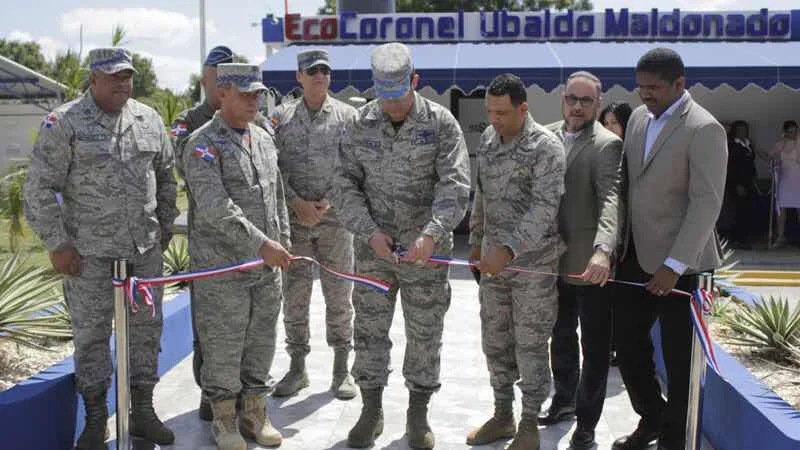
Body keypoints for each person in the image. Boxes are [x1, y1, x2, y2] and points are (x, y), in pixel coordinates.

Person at [24, 47, 179, 449]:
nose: (122, 84)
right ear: (93, 79)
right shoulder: (65, 122)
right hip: (87, 257)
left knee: (147, 333)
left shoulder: (149, 118)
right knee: (91, 336)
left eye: (127, 76)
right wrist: (58, 244)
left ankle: (142, 412)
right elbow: (39, 188)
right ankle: (96, 420)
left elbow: (165, 175)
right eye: (113, 77)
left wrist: (164, 224)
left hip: (142, 253)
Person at [333, 42, 470, 449]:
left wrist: (431, 234)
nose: (391, 106)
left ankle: (418, 413)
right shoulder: (359, 124)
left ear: (414, 81)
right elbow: (344, 186)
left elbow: (455, 186)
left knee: (425, 333)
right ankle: (371, 410)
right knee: (370, 331)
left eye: (398, 95)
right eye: (384, 96)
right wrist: (369, 232)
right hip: (373, 252)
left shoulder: (442, 125)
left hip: (425, 254)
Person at [613, 48, 727, 450]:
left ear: (680, 83)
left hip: (683, 265)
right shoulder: (641, 119)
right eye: (640, 87)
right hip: (635, 256)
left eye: (654, 88)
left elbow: (706, 203)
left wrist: (674, 265)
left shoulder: (704, 128)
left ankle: (674, 441)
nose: (644, 96)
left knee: (680, 364)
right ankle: (653, 419)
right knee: (626, 345)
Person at [182, 63, 291, 450]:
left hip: (266, 267)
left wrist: (283, 243)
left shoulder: (262, 138)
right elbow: (216, 206)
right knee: (223, 346)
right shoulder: (202, 143)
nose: (253, 101)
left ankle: (255, 412)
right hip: (222, 269)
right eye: (245, 94)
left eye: (257, 94)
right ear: (222, 93)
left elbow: (276, 196)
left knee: (261, 341)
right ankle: (224, 419)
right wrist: (262, 243)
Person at [464, 73, 566, 450]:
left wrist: (506, 251)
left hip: (532, 267)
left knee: (531, 343)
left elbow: (544, 209)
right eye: (490, 111)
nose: (494, 119)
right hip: (492, 266)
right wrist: (475, 241)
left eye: (502, 113)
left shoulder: (546, 147)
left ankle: (528, 423)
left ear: (524, 108)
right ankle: (503, 414)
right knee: (496, 339)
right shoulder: (490, 140)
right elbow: (483, 195)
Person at [539, 71, 623, 450]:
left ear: (598, 104)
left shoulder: (606, 145)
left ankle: (587, 424)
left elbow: (611, 200)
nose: (577, 106)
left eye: (585, 101)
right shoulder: (545, 135)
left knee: (594, 346)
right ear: (563, 99)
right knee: (559, 337)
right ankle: (564, 399)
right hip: (550, 261)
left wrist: (604, 250)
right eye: (572, 98)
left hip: (591, 267)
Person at [271, 49, 358, 400]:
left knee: (339, 295)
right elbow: (271, 166)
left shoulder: (349, 117)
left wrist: (329, 201)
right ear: (299, 77)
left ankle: (341, 370)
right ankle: (297, 368)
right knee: (295, 295)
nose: (319, 75)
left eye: (324, 70)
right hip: (295, 223)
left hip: (335, 222)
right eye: (312, 70)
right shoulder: (281, 118)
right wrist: (297, 203)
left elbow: (355, 166)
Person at [718, 120, 757, 248]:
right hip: (737, 184)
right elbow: (731, 167)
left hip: (748, 182)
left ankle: (743, 237)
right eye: (740, 130)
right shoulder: (732, 145)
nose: (743, 132)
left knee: (746, 211)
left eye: (745, 129)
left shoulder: (748, 144)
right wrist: (737, 184)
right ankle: (736, 239)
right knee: (736, 211)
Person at [768, 120, 800, 247]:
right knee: (781, 209)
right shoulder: (779, 144)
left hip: (798, 179)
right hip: (784, 180)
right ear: (785, 132)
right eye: (791, 131)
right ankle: (781, 236)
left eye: (796, 131)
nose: (794, 134)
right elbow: (770, 157)